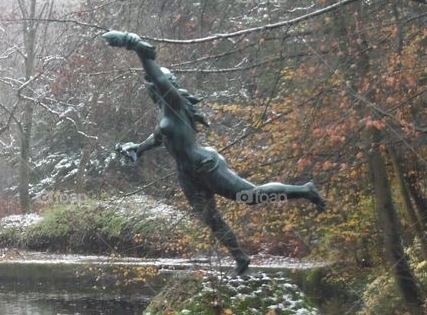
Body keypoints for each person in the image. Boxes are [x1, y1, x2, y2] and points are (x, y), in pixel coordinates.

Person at [104, 30, 325, 275]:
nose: (152, 90)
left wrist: (133, 44)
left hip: (206, 166)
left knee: (251, 196)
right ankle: (241, 259)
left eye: (154, 86)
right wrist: (138, 148)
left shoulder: (174, 103)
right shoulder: (165, 113)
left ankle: (305, 190)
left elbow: (156, 75)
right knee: (211, 219)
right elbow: (158, 137)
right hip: (188, 175)